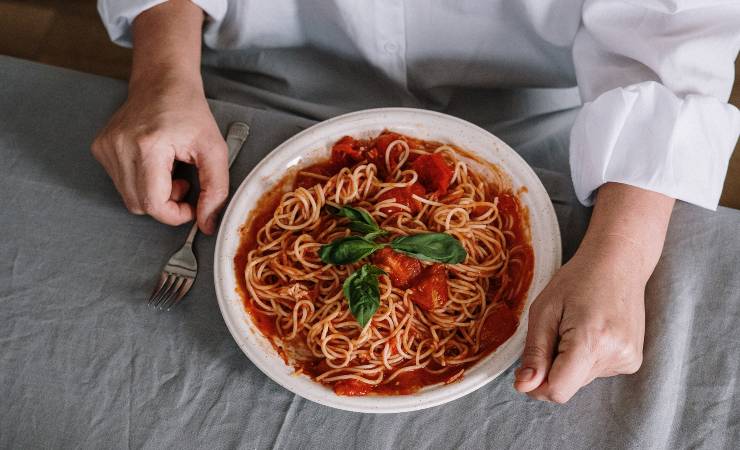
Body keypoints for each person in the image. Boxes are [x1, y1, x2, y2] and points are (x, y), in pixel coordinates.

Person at [92, 0, 740, 404]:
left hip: (553, 109)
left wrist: (620, 260)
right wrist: (160, 79)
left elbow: (673, 32)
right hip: (263, 76)